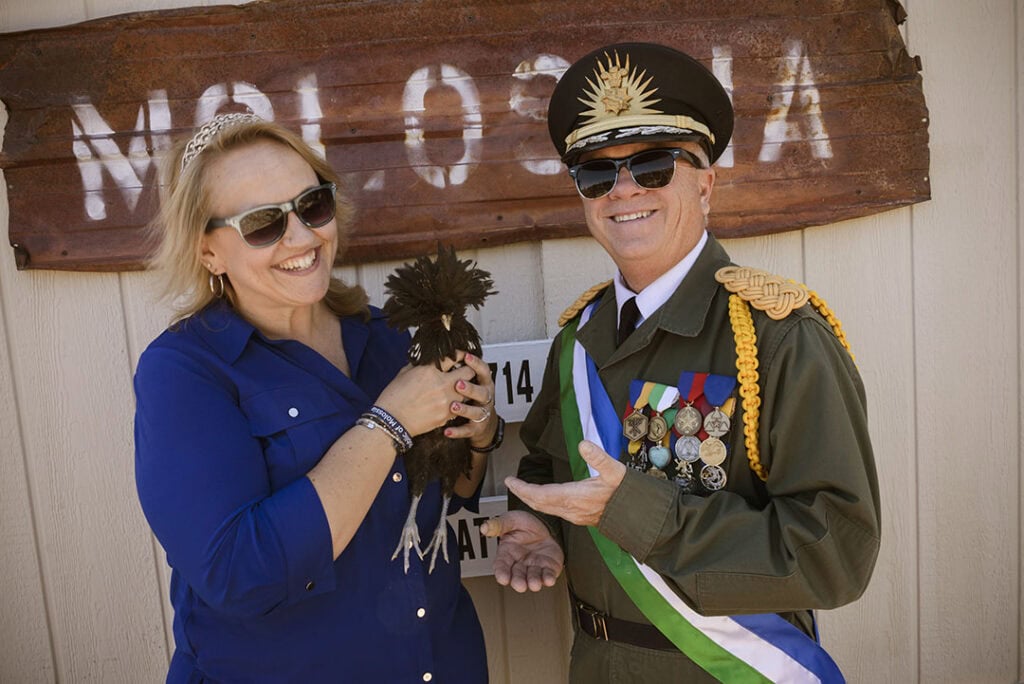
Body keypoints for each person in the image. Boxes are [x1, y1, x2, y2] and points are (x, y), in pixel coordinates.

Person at [481, 43, 880, 682]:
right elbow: (547, 464)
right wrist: (540, 524)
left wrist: (638, 513)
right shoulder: (578, 340)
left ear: (705, 183)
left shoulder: (778, 337)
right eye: (597, 174)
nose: (624, 190)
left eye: (653, 166)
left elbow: (835, 554)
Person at [134, 113, 498, 683]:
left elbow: (451, 491)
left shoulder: (385, 336)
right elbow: (238, 574)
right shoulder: (185, 372)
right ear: (208, 252)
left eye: (312, 205)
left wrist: (478, 432)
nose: (303, 237)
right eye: (262, 224)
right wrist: (388, 423)